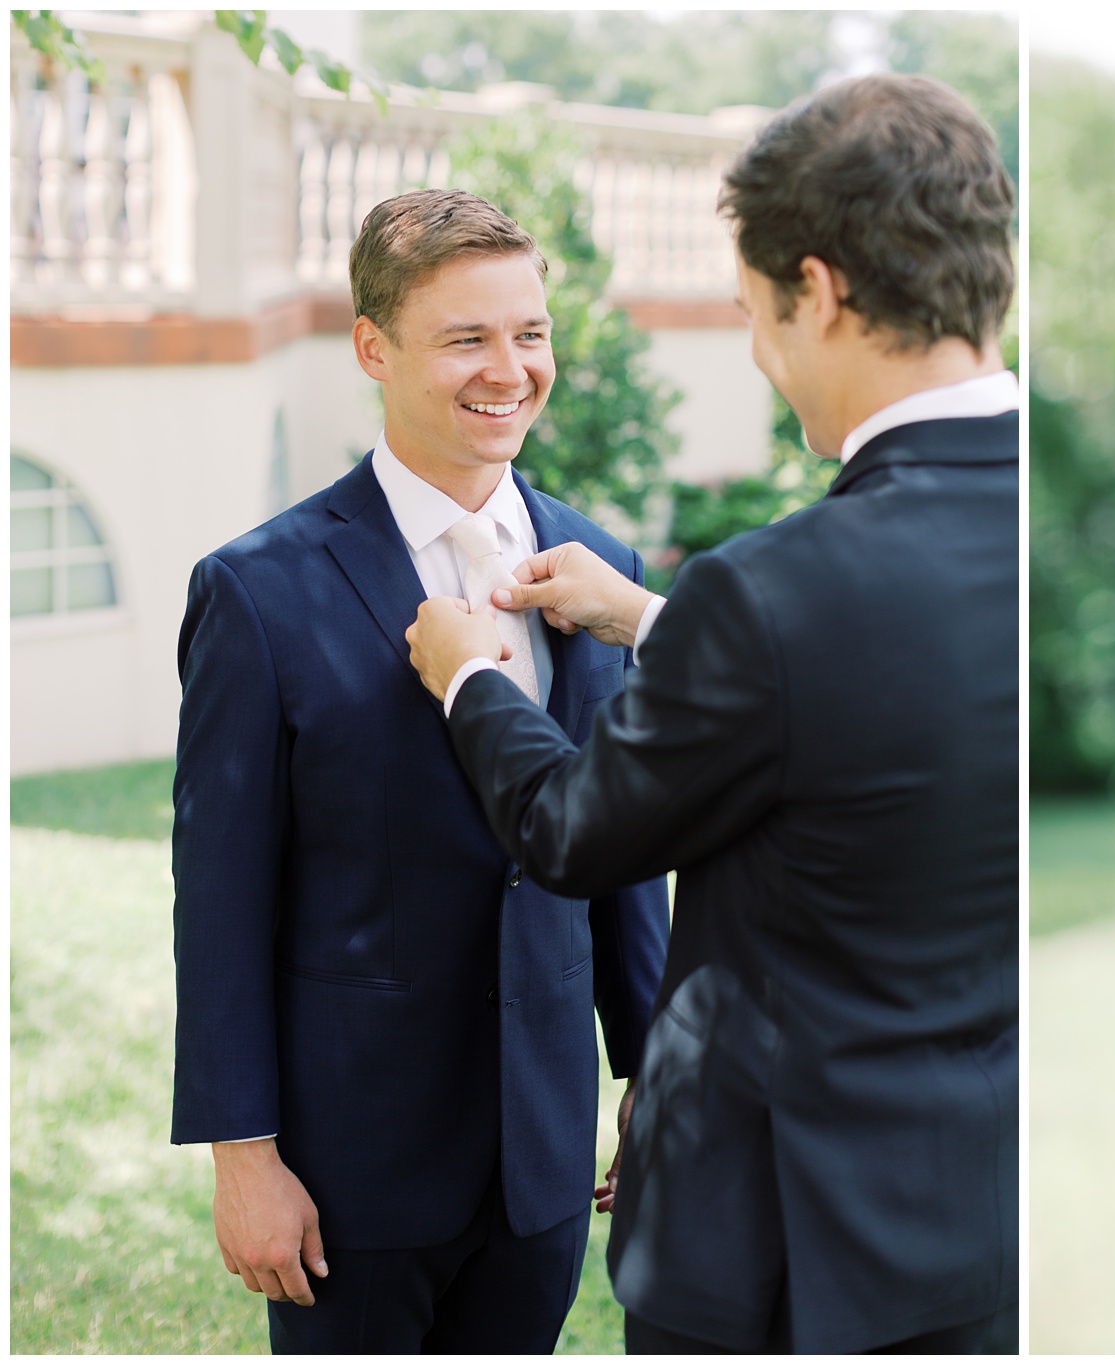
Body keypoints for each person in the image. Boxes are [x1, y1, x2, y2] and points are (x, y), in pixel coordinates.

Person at [404, 73, 1019, 1355]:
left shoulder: (776, 587)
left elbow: (570, 831)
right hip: (983, 1226)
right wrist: (650, 619)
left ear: (822, 292)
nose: (754, 348)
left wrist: (474, 675)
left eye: (752, 312)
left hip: (786, 1249)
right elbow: (892, 696)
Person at [171, 188, 670, 1353]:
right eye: (467, 338)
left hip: (541, 1159)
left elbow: (622, 849)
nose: (510, 369)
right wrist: (243, 1157)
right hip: (352, 1167)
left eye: (529, 334)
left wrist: (652, 1070)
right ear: (373, 348)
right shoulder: (256, 590)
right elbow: (223, 894)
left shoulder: (599, 564)